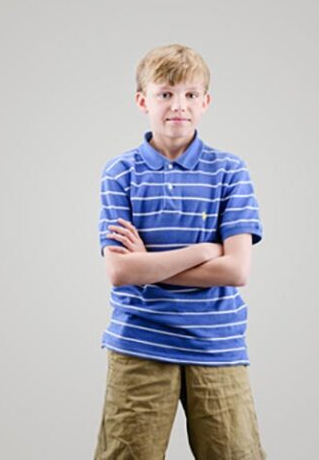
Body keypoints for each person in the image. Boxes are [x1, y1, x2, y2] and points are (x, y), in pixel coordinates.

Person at [93, 43, 268, 460]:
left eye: (190, 95)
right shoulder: (121, 172)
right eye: (165, 93)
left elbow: (236, 270)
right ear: (143, 101)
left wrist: (147, 266)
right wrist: (204, 250)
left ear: (205, 102)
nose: (178, 105)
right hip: (139, 342)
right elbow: (119, 272)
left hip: (216, 344)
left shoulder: (230, 170)